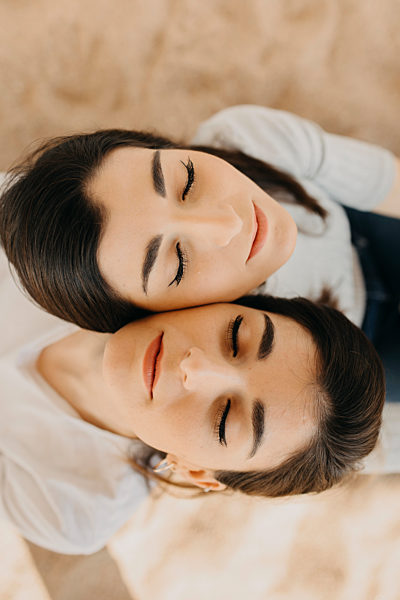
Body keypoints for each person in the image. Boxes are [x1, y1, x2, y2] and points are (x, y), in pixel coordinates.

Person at [0, 247, 385, 554]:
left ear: (197, 471)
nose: (194, 368)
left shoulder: (75, 512)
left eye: (224, 419)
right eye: (235, 338)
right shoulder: (60, 242)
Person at [0, 106, 398, 397]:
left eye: (187, 181)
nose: (229, 224)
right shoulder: (220, 375)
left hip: (357, 228)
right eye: (177, 262)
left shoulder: (245, 138)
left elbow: (386, 182)